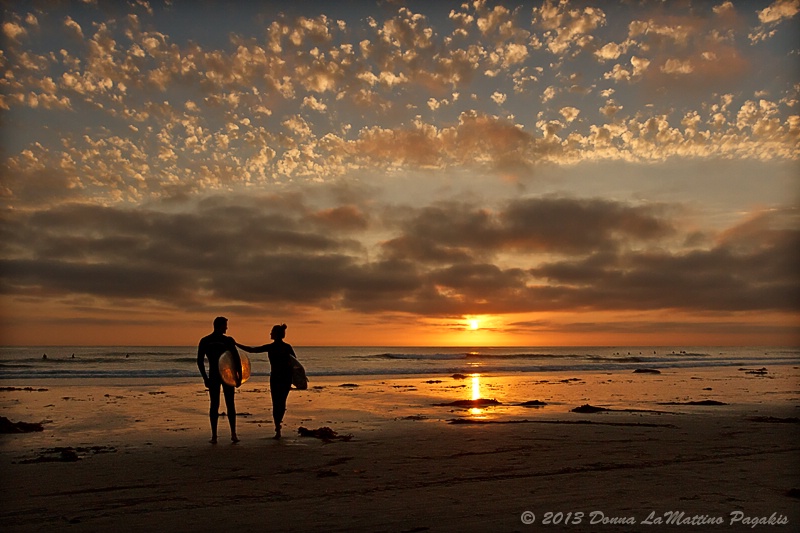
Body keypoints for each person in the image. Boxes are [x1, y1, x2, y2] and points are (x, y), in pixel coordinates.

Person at [236, 323, 296, 439]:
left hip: (277, 378)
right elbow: (295, 363)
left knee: (276, 403)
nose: (270, 334)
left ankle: (278, 427)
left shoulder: (273, 347)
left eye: (272, 332)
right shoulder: (286, 347)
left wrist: (236, 344)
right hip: (284, 378)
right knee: (281, 403)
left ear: (276, 334)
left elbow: (252, 350)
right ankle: (278, 427)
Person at [197, 316, 242, 444]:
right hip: (225, 376)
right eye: (225, 325)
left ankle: (216, 436)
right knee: (227, 404)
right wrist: (238, 376)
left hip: (216, 375)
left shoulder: (206, 340)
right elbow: (236, 359)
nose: (227, 328)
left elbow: (200, 361)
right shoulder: (226, 340)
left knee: (216, 404)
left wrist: (205, 377)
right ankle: (230, 434)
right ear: (220, 326)